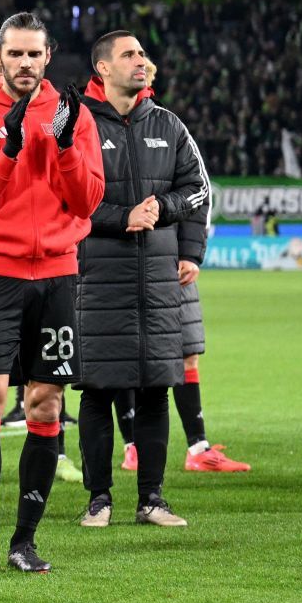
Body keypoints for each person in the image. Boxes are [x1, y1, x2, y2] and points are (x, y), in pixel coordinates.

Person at [0, 11, 102, 576]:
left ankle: (24, 542)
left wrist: (62, 147)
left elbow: (85, 201)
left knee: (46, 404)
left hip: (57, 277)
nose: (26, 64)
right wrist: (9, 152)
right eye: (16, 54)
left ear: (48, 56)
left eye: (35, 54)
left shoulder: (73, 118)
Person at [74, 30, 211, 530]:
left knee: (156, 387)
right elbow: (61, 197)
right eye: (130, 54)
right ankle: (99, 499)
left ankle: (152, 498)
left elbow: (196, 190)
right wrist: (119, 217)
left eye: (144, 54)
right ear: (103, 68)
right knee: (97, 389)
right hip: (95, 275)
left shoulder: (169, 125)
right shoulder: (78, 124)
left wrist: (169, 217)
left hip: (156, 278)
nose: (142, 61)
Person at [152, 54, 248, 477]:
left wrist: (191, 252)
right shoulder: (98, 130)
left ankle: (198, 446)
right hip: (122, 262)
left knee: (187, 355)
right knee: (128, 360)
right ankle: (135, 444)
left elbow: (198, 193)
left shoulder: (170, 129)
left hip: (173, 262)